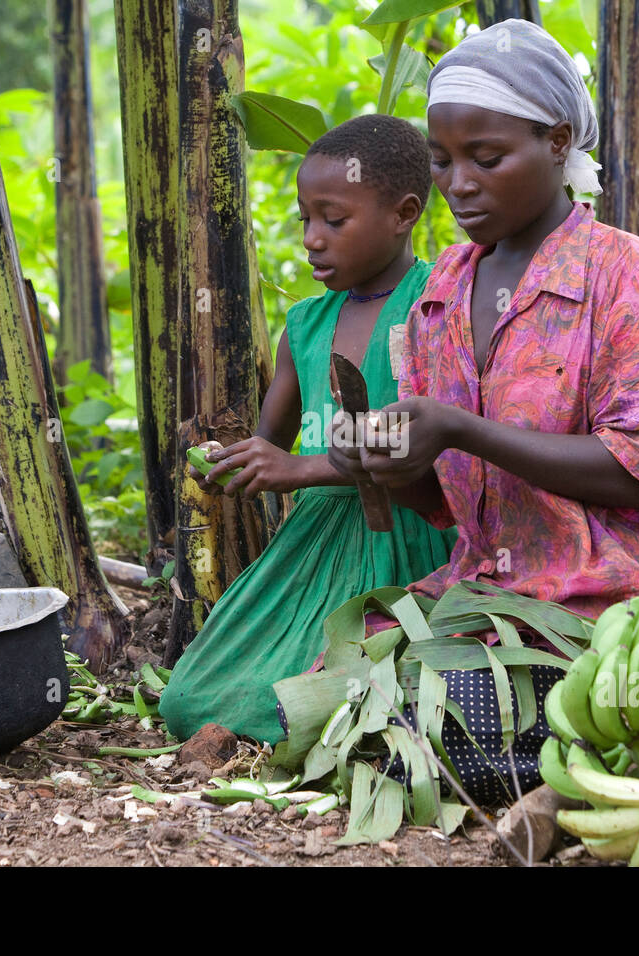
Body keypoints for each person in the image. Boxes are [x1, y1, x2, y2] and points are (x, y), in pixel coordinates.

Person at [326, 20, 639, 801]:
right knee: (342, 698)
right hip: (491, 599)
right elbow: (448, 508)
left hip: (615, 601)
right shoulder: (441, 289)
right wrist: (376, 459)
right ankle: (563, 762)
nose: (459, 183)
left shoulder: (622, 272)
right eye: (443, 162)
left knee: (442, 727)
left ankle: (603, 760)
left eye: (487, 160)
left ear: (556, 143)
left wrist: (459, 428)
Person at [161, 115, 459, 745]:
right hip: (311, 544)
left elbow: (436, 451)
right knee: (188, 700)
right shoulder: (304, 324)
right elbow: (272, 445)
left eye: (334, 220)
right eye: (305, 220)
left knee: (353, 705)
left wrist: (299, 469)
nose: (312, 240)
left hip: (407, 537)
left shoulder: (439, 304)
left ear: (404, 214)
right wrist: (229, 461)